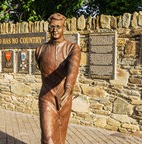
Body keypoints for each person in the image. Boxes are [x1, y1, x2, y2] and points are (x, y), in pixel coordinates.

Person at [35, 13, 81, 144]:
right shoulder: (40, 50)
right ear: (48, 28)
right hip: (46, 97)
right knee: (48, 138)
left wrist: (68, 88)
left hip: (64, 97)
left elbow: (73, 68)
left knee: (60, 138)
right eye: (52, 27)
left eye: (58, 26)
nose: (55, 29)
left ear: (63, 28)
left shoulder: (72, 48)